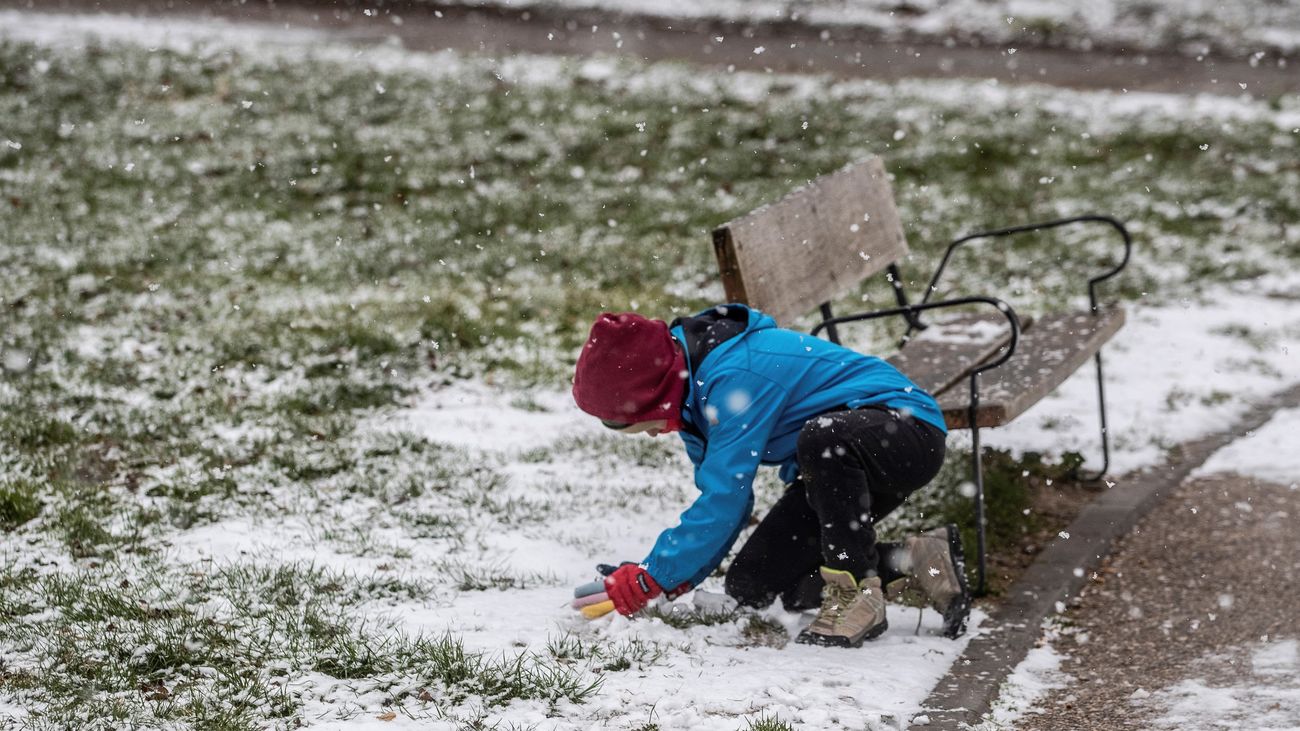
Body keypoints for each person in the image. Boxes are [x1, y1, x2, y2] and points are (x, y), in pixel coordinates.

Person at [571, 303, 969, 647]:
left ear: (654, 394)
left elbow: (724, 500)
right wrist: (656, 578)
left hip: (908, 433)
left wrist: (648, 580)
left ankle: (856, 597)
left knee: (822, 436)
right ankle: (921, 561)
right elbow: (727, 503)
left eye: (630, 421)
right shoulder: (690, 397)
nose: (651, 432)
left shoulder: (732, 376)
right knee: (756, 586)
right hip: (839, 466)